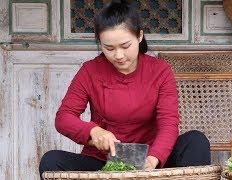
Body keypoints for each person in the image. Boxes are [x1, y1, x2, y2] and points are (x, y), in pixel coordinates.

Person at [39, 0, 211, 178]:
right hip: (104, 163)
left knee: (195, 141)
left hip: (152, 160)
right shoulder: (90, 71)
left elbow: (168, 124)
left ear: (139, 36)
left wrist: (152, 160)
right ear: (100, 42)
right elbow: (64, 118)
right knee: (51, 161)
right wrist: (93, 131)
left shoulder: (160, 71)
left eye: (125, 46)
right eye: (109, 48)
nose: (119, 55)